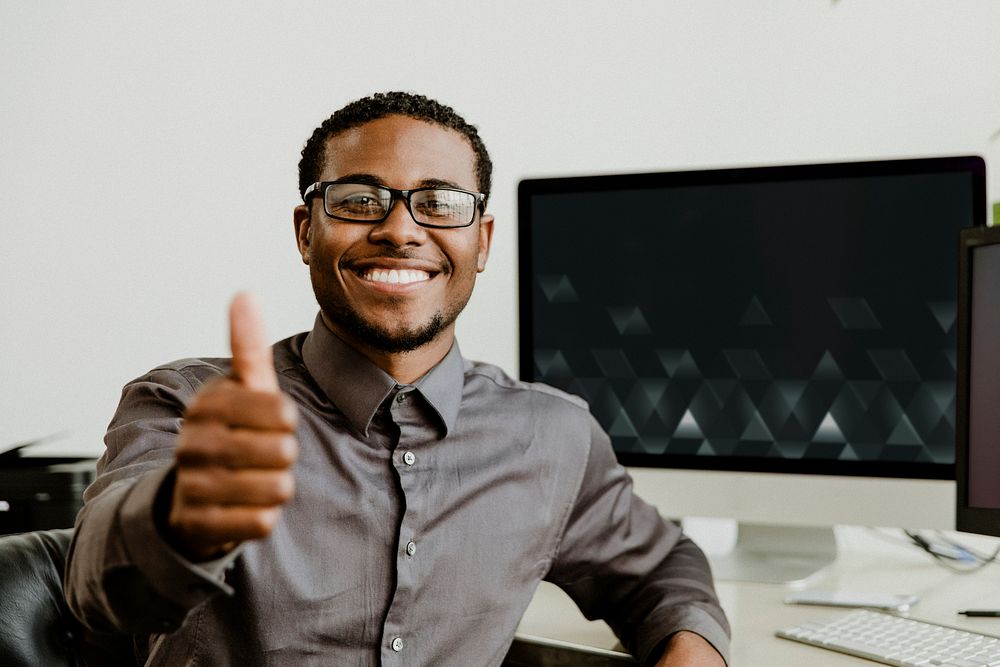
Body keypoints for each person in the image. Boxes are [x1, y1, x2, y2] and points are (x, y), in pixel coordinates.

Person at [65, 92, 730, 666]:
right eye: (359, 200)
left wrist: (691, 646)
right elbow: (97, 582)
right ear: (306, 230)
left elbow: (664, 568)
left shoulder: (551, 436)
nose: (400, 229)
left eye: (439, 203)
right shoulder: (188, 404)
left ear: (484, 240)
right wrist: (184, 516)